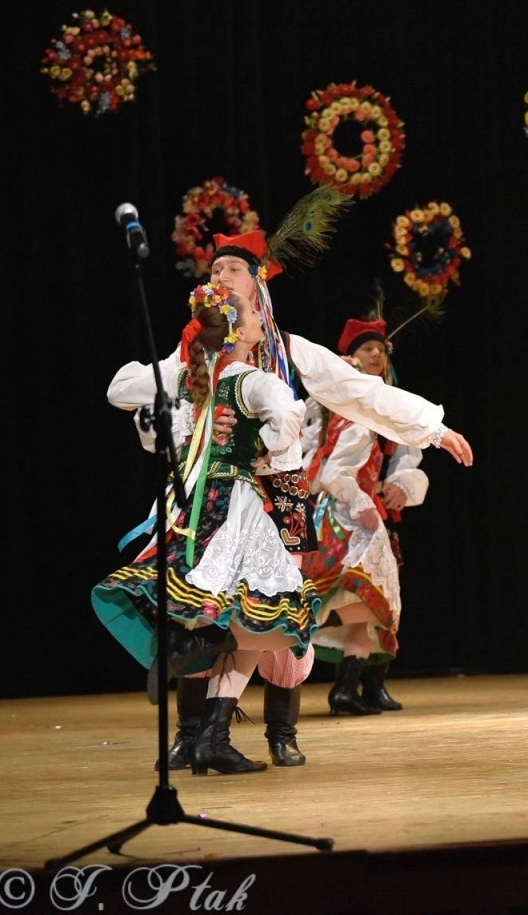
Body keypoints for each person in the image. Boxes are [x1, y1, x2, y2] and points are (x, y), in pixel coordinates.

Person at [107, 216, 474, 760]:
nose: (223, 273)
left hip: (279, 497)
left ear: (259, 283)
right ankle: (195, 734)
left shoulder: (290, 353)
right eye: (215, 268)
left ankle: (278, 733)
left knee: (276, 612)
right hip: (205, 495)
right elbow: (142, 407)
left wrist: (432, 429)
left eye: (234, 266)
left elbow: (362, 394)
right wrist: (182, 418)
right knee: (208, 613)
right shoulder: (195, 356)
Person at [93, 284, 321, 774]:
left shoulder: (188, 376)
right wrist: (261, 448)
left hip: (196, 504)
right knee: (269, 613)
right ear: (237, 331)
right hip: (234, 503)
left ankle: (226, 729)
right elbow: (287, 416)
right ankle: (204, 727)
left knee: (233, 615)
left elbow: (125, 398)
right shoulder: (243, 378)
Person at [304, 316, 429, 715]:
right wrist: (361, 501)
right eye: (366, 349)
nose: (376, 354)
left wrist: (401, 487)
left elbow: (408, 457)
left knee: (380, 600)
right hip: (343, 514)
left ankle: (369, 685)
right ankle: (345, 688)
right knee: (365, 599)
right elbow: (324, 464)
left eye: (380, 349)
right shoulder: (344, 408)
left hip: (365, 511)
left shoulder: (388, 406)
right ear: (350, 360)